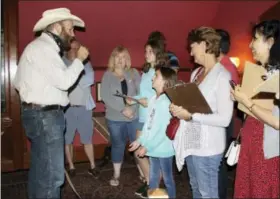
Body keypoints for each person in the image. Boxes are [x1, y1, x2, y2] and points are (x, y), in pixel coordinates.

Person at [13, 8, 88, 199]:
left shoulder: (41, 48)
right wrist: (79, 60)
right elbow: (64, 82)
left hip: (40, 116)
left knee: (40, 173)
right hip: (45, 118)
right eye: (70, 29)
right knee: (52, 178)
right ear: (56, 26)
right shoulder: (43, 49)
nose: (73, 35)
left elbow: (18, 83)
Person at [170, 27, 233, 198]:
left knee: (208, 194)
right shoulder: (196, 73)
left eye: (192, 47)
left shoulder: (223, 76)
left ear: (205, 45)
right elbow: (193, 104)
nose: (190, 53)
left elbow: (225, 119)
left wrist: (191, 116)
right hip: (192, 143)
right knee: (196, 189)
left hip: (209, 147)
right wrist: (179, 107)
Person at [231, 20, 280, 198]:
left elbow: (277, 122)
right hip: (252, 144)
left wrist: (247, 102)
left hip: (267, 151)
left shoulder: (278, 76)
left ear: (270, 42)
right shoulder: (260, 72)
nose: (250, 45)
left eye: (255, 39)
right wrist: (240, 100)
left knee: (261, 191)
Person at [129, 65, 177, 198]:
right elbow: (148, 126)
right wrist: (139, 141)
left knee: (168, 180)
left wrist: (146, 146)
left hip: (164, 148)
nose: (152, 78)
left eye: (156, 76)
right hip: (154, 148)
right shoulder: (153, 100)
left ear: (165, 82)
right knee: (154, 178)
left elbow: (161, 131)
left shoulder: (164, 102)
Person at [127, 40, 164, 198]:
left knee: (149, 152)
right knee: (138, 150)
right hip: (143, 115)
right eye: (146, 51)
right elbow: (145, 94)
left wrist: (141, 100)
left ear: (158, 52)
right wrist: (133, 98)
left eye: (150, 51)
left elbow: (160, 96)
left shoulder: (160, 72)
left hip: (153, 116)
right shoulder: (147, 71)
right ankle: (150, 182)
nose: (147, 54)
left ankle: (152, 185)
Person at [100, 45, 141, 186]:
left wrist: (133, 109)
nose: (120, 60)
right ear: (113, 58)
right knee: (118, 145)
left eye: (123, 57)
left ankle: (143, 173)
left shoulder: (134, 73)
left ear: (127, 59)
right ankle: (116, 174)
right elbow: (105, 96)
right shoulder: (107, 75)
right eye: (117, 56)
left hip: (134, 116)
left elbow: (140, 94)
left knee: (138, 144)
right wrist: (123, 109)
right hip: (115, 118)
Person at [63, 39, 99, 178]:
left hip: (84, 108)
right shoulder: (61, 62)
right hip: (67, 108)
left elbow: (88, 80)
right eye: (72, 48)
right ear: (67, 49)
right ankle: (71, 166)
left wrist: (71, 78)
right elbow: (63, 83)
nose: (75, 50)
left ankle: (92, 166)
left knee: (88, 139)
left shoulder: (86, 63)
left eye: (78, 48)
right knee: (67, 139)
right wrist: (75, 77)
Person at [215, 28, 240, 199]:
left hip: (222, 121)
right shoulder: (222, 66)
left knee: (219, 164)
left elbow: (225, 100)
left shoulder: (227, 68)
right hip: (219, 120)